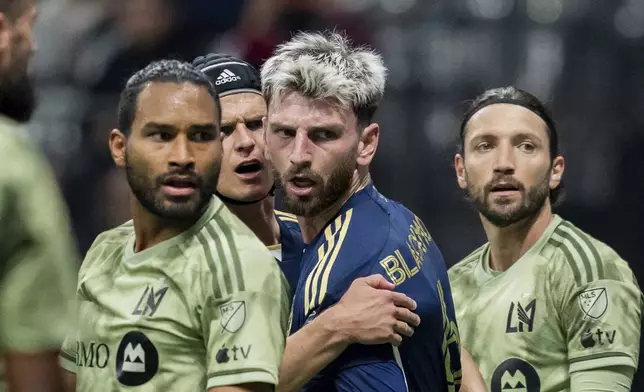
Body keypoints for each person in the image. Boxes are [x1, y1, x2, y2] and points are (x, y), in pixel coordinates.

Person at [192, 52, 466, 392]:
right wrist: (335, 325)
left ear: (366, 144)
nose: (299, 155)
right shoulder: (398, 222)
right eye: (285, 132)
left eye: (323, 135)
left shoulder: (339, 264)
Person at [59, 59, 290, 392]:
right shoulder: (104, 249)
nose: (182, 155)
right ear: (119, 147)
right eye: (162, 136)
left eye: (201, 136)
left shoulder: (240, 265)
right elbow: (70, 377)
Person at [448, 86, 642, 392]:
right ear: (461, 170)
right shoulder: (451, 287)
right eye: (485, 146)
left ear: (555, 170)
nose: (504, 163)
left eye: (526, 146)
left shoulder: (592, 274)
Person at [0, 0, 79, 390]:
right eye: (29, 28)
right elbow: (32, 351)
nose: (32, 47)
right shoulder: (11, 164)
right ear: (2, 33)